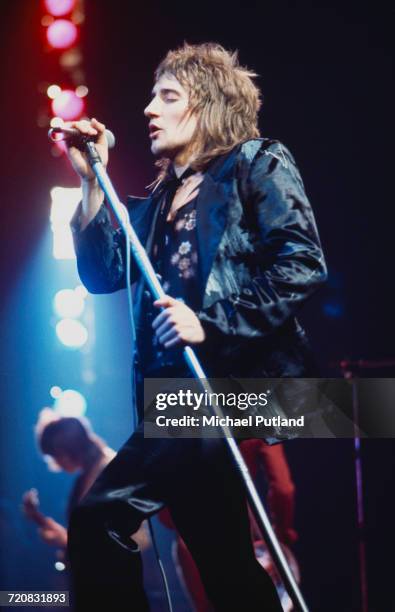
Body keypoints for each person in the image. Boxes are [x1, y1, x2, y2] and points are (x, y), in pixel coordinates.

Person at [65, 42, 327, 611]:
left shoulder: (257, 163)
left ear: (205, 104)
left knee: (97, 519)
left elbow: (302, 264)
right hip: (171, 399)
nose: (148, 111)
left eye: (167, 97)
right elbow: (103, 274)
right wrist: (90, 183)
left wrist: (211, 323)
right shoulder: (161, 199)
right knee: (225, 563)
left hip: (224, 391)